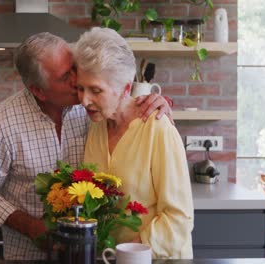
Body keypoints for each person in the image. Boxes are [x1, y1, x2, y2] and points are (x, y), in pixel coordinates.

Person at [0, 32, 172, 260]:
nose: (77, 80)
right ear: (39, 91)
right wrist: (32, 227)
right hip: (27, 255)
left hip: (87, 253)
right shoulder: (2, 123)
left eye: (74, 67)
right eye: (66, 76)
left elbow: (120, 99)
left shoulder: (91, 109)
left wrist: (158, 103)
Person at [74, 27, 194, 259]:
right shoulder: (96, 125)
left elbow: (179, 218)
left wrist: (127, 254)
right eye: (80, 88)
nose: (84, 100)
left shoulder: (157, 128)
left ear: (125, 89)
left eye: (96, 90)